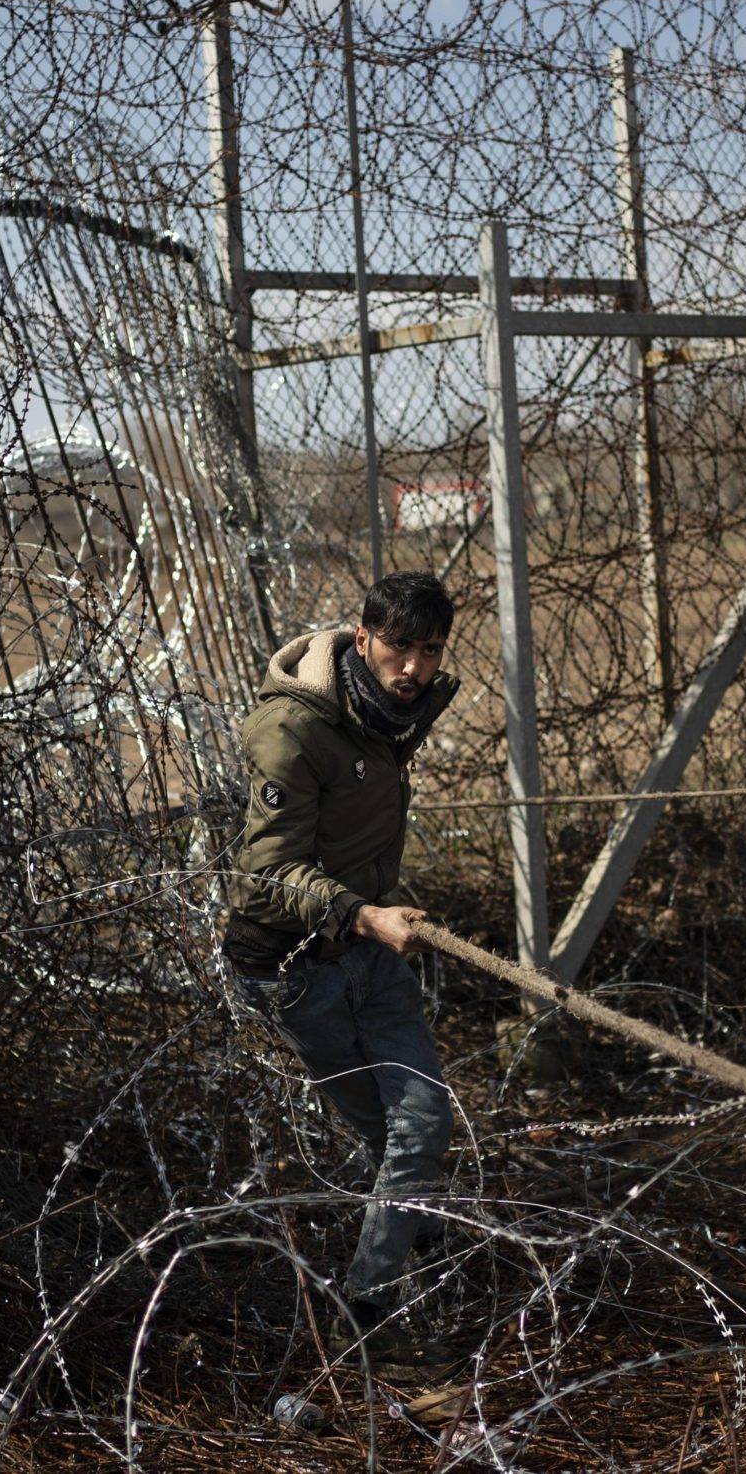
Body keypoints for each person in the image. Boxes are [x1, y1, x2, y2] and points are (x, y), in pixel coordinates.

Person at [225, 571, 461, 1367]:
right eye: (397, 646)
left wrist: (371, 917)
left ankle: (377, 1284)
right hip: (293, 965)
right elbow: (260, 875)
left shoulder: (390, 713)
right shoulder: (293, 729)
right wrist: (366, 913)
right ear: (362, 640)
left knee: (419, 1124)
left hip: (364, 941)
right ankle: (376, 1311)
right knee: (392, 1131)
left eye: (430, 651)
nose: (413, 668)